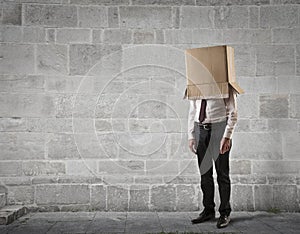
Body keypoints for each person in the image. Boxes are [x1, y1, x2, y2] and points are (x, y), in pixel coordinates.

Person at [188, 86, 237, 229]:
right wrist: (191, 135)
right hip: (200, 130)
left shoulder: (224, 82)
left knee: (222, 174)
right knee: (205, 174)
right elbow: (192, 112)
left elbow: (233, 113)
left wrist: (227, 136)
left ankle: (224, 213)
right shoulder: (196, 83)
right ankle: (208, 210)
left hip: (219, 130)